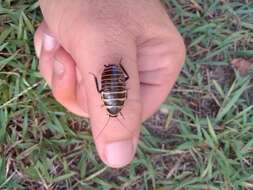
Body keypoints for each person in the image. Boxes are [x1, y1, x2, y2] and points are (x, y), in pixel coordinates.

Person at [34, 0, 186, 168]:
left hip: (115, 77)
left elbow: (122, 89)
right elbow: (102, 90)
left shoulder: (119, 102)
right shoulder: (107, 102)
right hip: (108, 79)